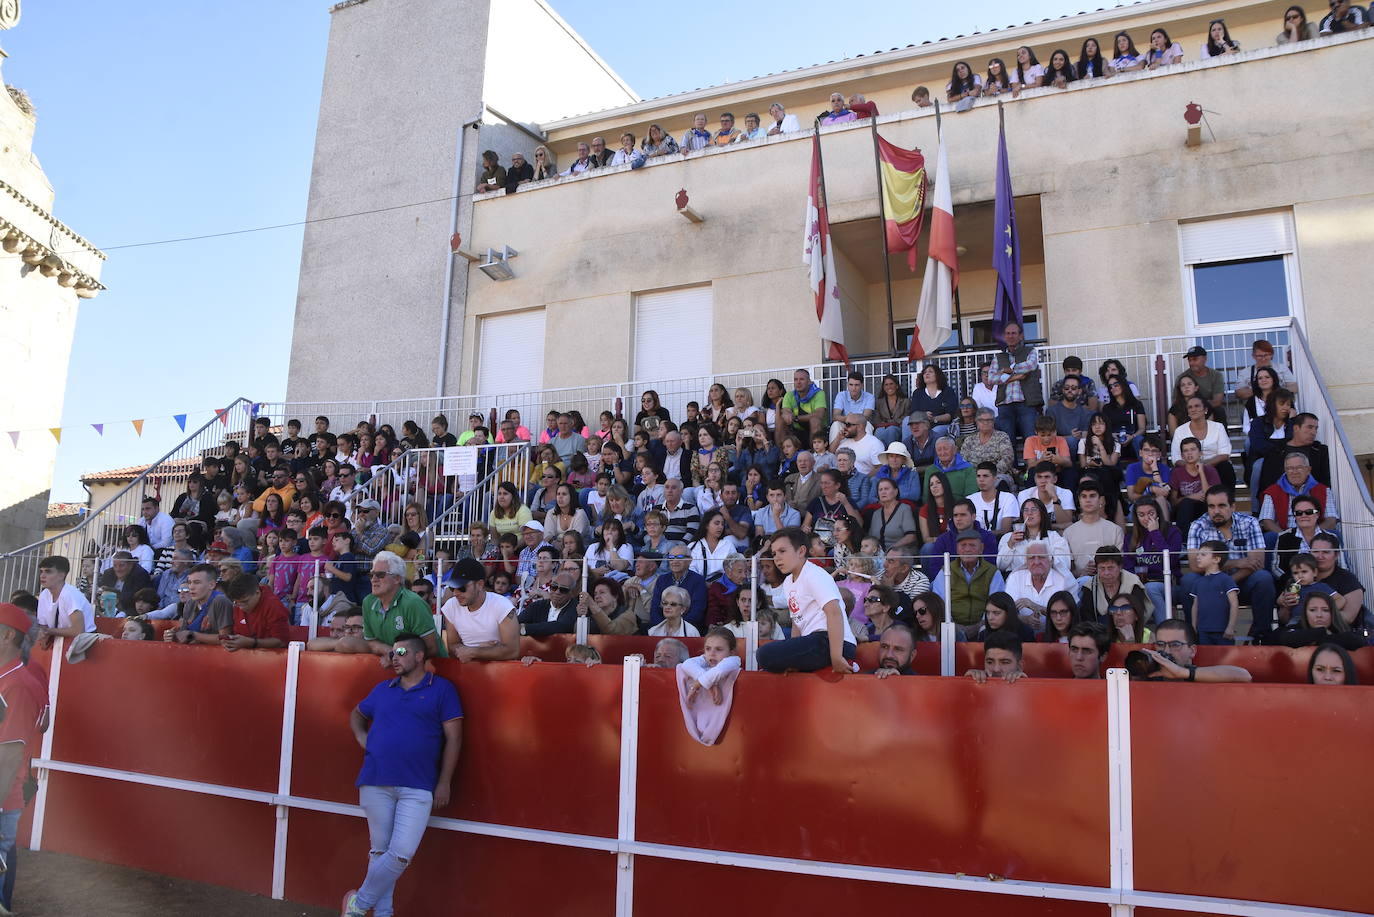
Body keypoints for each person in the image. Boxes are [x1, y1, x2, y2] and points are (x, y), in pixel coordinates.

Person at [341, 633, 462, 917]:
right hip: (375, 779)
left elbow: (454, 739)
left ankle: (358, 903)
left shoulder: (442, 689)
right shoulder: (383, 688)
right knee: (380, 852)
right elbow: (356, 715)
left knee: (401, 854)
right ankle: (383, 913)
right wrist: (363, 738)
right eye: (392, 653)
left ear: (419, 656)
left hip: (418, 784)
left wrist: (444, 781)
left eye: (401, 652)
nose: (394, 657)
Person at [756, 528, 857, 674]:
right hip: (812, 641)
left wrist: (836, 657)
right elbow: (797, 622)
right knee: (765, 657)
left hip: (832, 642)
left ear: (801, 551)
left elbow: (834, 613)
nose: (777, 558)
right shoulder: (788, 583)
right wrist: (792, 660)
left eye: (782, 551)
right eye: (774, 553)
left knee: (764, 654)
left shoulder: (814, 574)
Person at [1182, 486, 1277, 638]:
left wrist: (1226, 584)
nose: (1216, 511)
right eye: (1211, 506)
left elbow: (1257, 562)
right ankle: (1193, 636)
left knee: (1263, 578)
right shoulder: (1198, 526)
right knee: (1188, 580)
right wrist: (1237, 562)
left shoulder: (1250, 523)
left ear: (1232, 506)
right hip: (1207, 584)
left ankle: (1262, 636)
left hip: (1241, 582)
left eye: (1221, 505)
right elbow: (1194, 565)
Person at [363, 552, 441, 660]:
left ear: (397, 579)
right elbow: (370, 641)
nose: (373, 579)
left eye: (380, 575)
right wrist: (389, 651)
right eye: (371, 575)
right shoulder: (368, 602)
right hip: (394, 668)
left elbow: (431, 648)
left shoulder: (413, 603)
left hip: (428, 670)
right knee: (347, 643)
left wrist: (396, 655)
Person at [440, 558, 518, 661]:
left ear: (480, 584)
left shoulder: (502, 606)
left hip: (500, 670)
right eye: (452, 588)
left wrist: (474, 652)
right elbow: (453, 645)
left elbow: (512, 651)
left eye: (462, 588)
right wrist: (479, 651)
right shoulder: (451, 606)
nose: (455, 593)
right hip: (468, 669)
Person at [932, 530, 1006, 633]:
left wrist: (980, 626)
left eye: (972, 545)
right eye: (963, 545)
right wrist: (954, 627)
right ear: (957, 549)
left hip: (985, 626)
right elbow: (939, 602)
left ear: (981, 549)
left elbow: (997, 603)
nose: (967, 549)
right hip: (951, 627)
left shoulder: (992, 572)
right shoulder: (946, 571)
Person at [1123, 500, 1182, 625]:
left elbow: (1171, 560)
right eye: (1141, 515)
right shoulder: (1130, 537)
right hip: (1140, 585)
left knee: (1151, 588)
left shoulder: (1172, 532)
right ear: (1136, 517)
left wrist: (1155, 533)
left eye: (1151, 513)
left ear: (1157, 513)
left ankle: (1165, 629)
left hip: (1169, 585)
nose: (1146, 518)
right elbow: (1128, 567)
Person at [1137, 619, 1251, 682]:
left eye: (1175, 645)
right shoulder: (1151, 677)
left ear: (1192, 651)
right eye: (1160, 644)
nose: (1167, 651)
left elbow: (1244, 675)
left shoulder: (1204, 675)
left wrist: (1182, 672)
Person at [1259, 452, 1338, 535]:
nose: (1294, 472)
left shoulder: (1323, 490)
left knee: (1335, 534)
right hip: (1285, 534)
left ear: (1308, 470)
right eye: (1290, 468)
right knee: (1270, 537)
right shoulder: (1273, 491)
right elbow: (1266, 521)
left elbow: (1331, 519)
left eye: (1299, 467)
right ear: (1285, 470)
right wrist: (1284, 536)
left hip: (1316, 535)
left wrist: (1313, 535)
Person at [989, 322, 1042, 444]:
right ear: (1004, 336)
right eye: (1007, 333)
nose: (1010, 336)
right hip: (1005, 404)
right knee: (1007, 443)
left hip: (1026, 404)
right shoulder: (999, 357)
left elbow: (1031, 365)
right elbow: (991, 378)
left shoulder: (1030, 351)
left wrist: (1008, 370)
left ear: (1021, 336)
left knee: (1031, 440)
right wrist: (1015, 377)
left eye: (1014, 333)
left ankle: (1032, 464)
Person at [1004, 542, 1072, 635]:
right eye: (1031, 558)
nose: (1036, 562)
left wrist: (1036, 607)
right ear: (1026, 562)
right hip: (1022, 635)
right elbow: (1006, 612)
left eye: (1041, 557)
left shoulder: (1062, 581)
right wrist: (1025, 619)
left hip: (1055, 634)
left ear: (1050, 560)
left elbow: (1068, 616)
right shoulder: (1015, 578)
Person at [1261, 592, 1365, 650]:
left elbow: (1358, 643)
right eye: (1313, 610)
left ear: (1332, 613)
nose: (1319, 615)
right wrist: (1322, 632)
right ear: (1305, 613)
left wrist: (1315, 639)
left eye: (1325, 610)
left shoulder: (1346, 635)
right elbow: (1285, 639)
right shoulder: (1293, 629)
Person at [1063, 481, 1124, 579]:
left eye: (1092, 496)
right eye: (1084, 496)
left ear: (1101, 500)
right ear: (1079, 500)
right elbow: (1067, 569)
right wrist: (1082, 573)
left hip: (1110, 581)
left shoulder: (1115, 530)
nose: (1088, 500)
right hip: (1080, 583)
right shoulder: (1068, 533)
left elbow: (1120, 565)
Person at [166, 563, 235, 645]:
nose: (191, 587)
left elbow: (225, 638)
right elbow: (184, 635)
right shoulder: (190, 603)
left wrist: (194, 635)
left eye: (197, 582)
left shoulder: (220, 601)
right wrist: (173, 636)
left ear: (211, 585)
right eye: (190, 582)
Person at [220, 575, 291, 652]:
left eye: (245, 601)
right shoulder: (237, 605)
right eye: (236, 602)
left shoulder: (273, 606)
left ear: (257, 593)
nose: (241, 607)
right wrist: (232, 641)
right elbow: (239, 634)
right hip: (247, 657)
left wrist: (252, 642)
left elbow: (282, 642)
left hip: (274, 657)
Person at [1168, 436, 1220, 535]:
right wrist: (1190, 497)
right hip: (1184, 511)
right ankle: (1183, 541)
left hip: (1204, 508)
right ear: (1182, 455)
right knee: (1187, 502)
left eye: (1193, 449)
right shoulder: (1176, 472)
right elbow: (1173, 502)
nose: (1189, 453)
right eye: (1186, 451)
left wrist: (1201, 472)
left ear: (1200, 453)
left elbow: (1212, 498)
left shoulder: (1210, 470)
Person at [36, 556, 95, 639]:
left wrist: (49, 631)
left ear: (61, 575)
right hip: (60, 640)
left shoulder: (70, 594)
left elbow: (78, 631)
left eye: (48, 572)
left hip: (84, 643)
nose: (42, 576)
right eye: (41, 571)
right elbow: (43, 626)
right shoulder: (43, 595)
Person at [518, 570, 581, 637]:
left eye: (563, 589)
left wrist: (524, 628)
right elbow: (515, 623)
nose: (557, 592)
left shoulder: (575, 607)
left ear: (571, 593)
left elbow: (561, 627)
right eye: (554, 587)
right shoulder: (537, 606)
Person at [777, 368, 827, 448]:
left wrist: (796, 418)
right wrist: (787, 415)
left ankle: (814, 454)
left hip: (818, 432)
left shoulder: (819, 393)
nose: (798, 382)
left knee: (815, 420)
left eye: (802, 379)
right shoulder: (789, 395)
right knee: (781, 420)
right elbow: (786, 411)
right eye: (795, 379)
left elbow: (819, 414)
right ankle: (782, 455)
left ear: (809, 382)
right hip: (797, 431)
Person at [960, 409, 1015, 481]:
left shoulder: (1002, 436)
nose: (985, 423)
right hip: (974, 476)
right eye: (981, 420)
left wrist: (990, 474)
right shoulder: (969, 440)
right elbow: (963, 461)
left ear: (993, 421)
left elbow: (1008, 458)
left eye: (989, 420)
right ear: (976, 422)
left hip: (997, 475)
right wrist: (977, 475)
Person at [1017, 462, 1075, 527]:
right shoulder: (1024, 495)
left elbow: (1067, 524)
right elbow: (1026, 525)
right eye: (1039, 477)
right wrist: (1055, 526)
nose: (1043, 481)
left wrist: (1055, 498)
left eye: (1047, 477)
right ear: (1035, 479)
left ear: (1055, 479)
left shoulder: (1066, 493)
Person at [969, 462, 1019, 536]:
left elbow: (1006, 530)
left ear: (995, 478)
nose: (981, 479)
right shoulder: (970, 499)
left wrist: (982, 535)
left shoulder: (1008, 498)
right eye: (978, 476)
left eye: (985, 476)